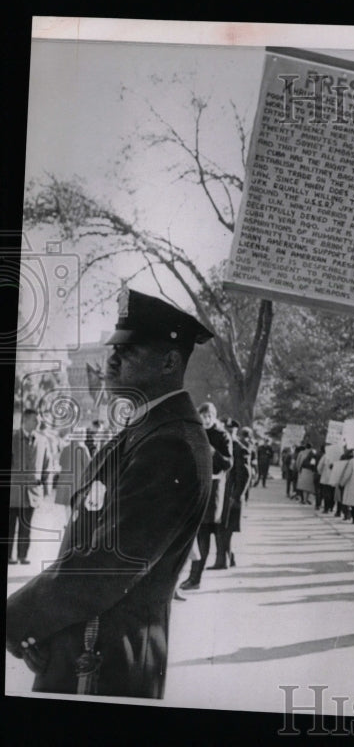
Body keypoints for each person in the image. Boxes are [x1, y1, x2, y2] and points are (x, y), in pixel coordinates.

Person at [5, 287, 213, 697]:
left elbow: (107, 565)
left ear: (170, 361)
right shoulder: (147, 430)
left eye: (130, 351)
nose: (111, 359)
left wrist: (16, 620)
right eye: (114, 348)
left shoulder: (170, 445)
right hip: (84, 645)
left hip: (105, 660)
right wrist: (43, 630)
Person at [179, 401, 233, 590]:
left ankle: (195, 578)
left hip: (213, 488)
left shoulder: (222, 435)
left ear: (215, 417)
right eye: (203, 416)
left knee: (203, 533)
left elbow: (228, 463)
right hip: (194, 486)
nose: (206, 419)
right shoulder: (195, 433)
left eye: (210, 416)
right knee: (193, 532)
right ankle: (191, 577)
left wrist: (213, 452)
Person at [8, 409, 53, 565]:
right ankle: (8, 556)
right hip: (13, 492)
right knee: (9, 526)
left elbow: (48, 465)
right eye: (35, 420)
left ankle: (22, 556)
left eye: (38, 420)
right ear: (25, 420)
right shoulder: (13, 438)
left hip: (32, 493)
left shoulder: (42, 441)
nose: (38, 423)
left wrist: (46, 490)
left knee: (26, 527)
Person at [211, 426, 253, 569]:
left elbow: (246, 475)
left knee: (225, 530)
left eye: (230, 431)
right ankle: (229, 558)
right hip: (223, 495)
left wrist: (236, 496)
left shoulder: (239, 449)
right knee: (221, 528)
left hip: (231, 496)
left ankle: (222, 561)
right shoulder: (223, 448)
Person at [295, 441, 318, 506]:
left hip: (303, 470)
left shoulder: (301, 453)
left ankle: (304, 499)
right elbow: (314, 462)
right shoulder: (314, 452)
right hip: (311, 470)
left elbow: (298, 462)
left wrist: (298, 469)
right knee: (309, 486)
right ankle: (307, 499)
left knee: (303, 486)